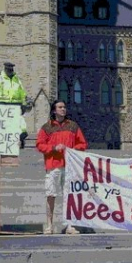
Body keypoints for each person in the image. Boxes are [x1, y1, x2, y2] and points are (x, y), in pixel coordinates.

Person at [36, 100, 88, 235]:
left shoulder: (73, 126)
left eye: (64, 107)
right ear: (54, 110)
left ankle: (70, 225)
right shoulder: (46, 127)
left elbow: (82, 144)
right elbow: (40, 145)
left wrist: (70, 149)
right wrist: (53, 148)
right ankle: (49, 225)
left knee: (69, 196)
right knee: (50, 195)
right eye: (60, 107)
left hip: (69, 166)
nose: (63, 109)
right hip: (53, 165)